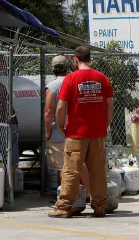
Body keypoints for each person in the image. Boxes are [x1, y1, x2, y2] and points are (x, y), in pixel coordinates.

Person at [49, 46, 114, 218]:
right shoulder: (102, 78)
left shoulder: (71, 79)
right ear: (89, 58)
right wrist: (104, 124)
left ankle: (64, 207)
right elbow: (109, 105)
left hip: (76, 134)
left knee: (71, 170)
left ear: (75, 59)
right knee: (98, 171)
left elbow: (61, 106)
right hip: (97, 134)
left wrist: (62, 127)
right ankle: (100, 206)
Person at [44, 55, 90, 202]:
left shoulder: (52, 87)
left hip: (58, 132)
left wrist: (48, 130)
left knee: (62, 166)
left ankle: (66, 196)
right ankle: (88, 193)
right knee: (80, 163)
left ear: (53, 69)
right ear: (67, 67)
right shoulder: (75, 81)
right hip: (77, 130)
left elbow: (49, 111)